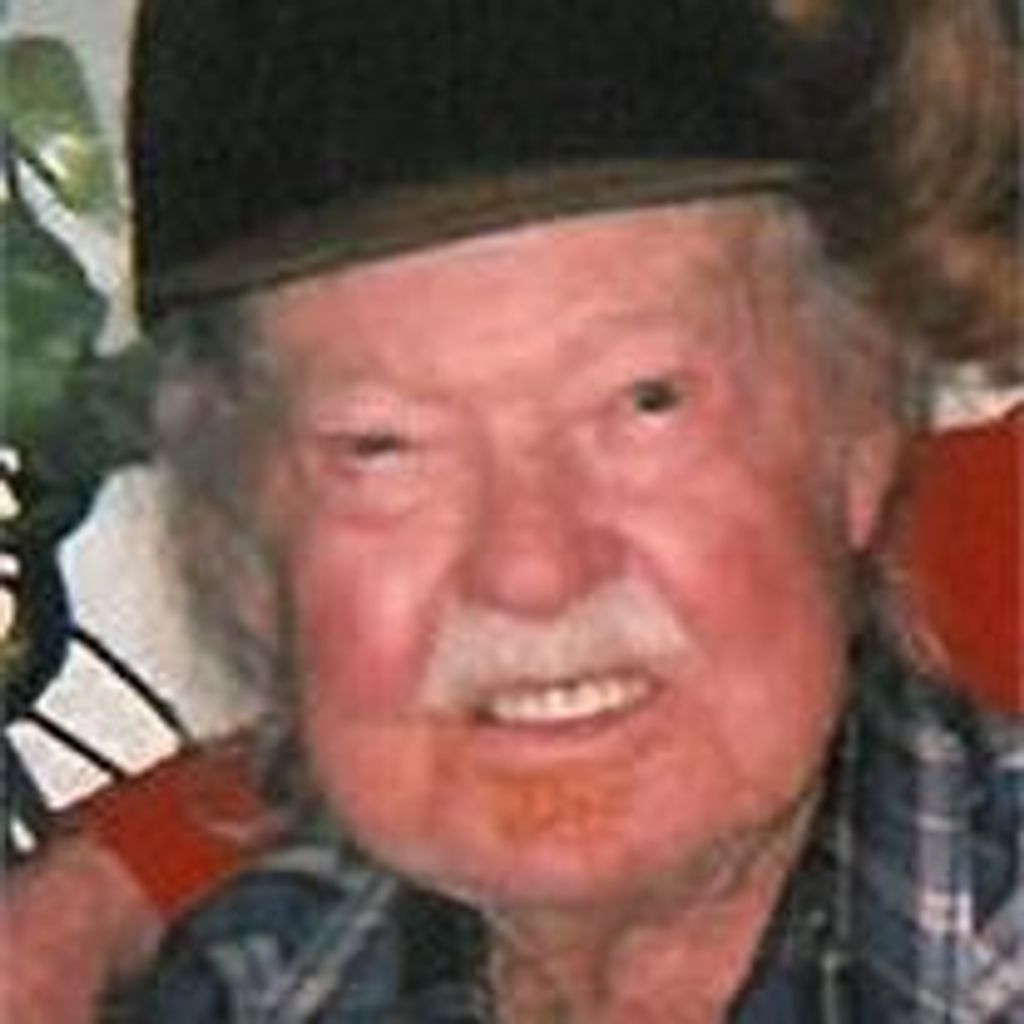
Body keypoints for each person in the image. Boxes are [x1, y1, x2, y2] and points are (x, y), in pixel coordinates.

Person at [2, 1, 1020, 1022]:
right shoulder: (254, 981)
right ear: (238, 549)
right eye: (380, 448)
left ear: (862, 429)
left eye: (646, 403)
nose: (530, 570)